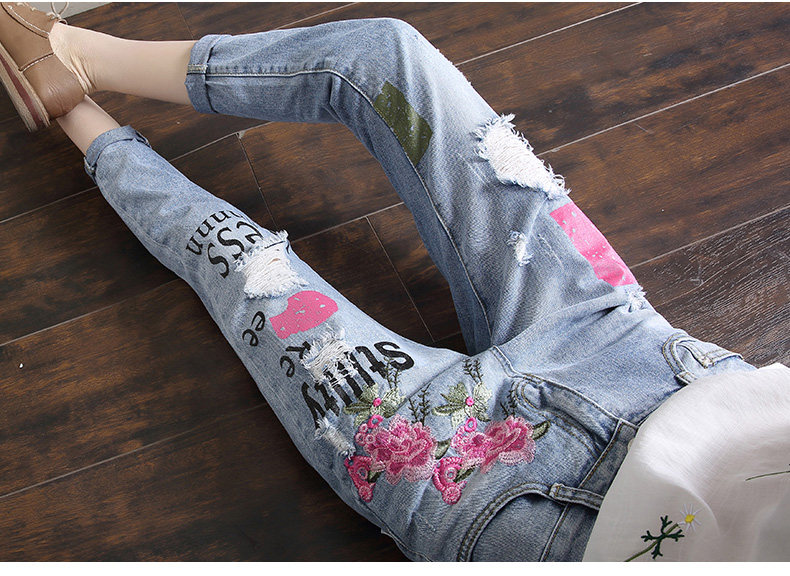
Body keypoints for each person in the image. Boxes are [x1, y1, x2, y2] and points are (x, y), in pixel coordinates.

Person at [2, 2, 787, 562]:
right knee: (387, 59)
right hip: (647, 361)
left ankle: (74, 111)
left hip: (500, 509)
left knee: (242, 267)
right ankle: (70, 54)